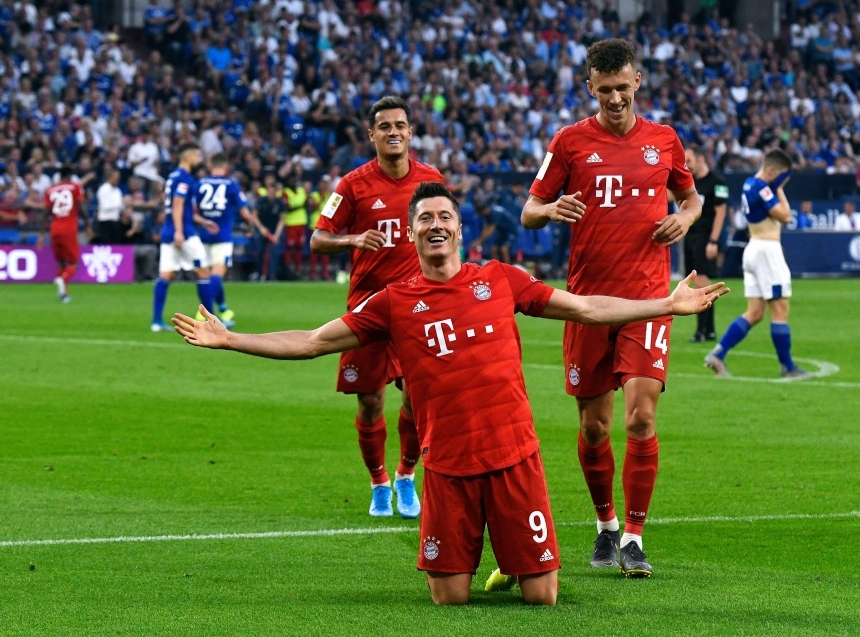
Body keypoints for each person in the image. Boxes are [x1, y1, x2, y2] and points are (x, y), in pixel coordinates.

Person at [172, 182, 728, 606]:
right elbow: (314, 341)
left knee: (543, 598)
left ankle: (516, 560)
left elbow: (586, 307)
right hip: (448, 467)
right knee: (451, 598)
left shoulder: (501, 279)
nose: (435, 224)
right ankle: (504, 553)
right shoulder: (392, 302)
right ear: (411, 232)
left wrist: (666, 305)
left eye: (444, 217)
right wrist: (230, 339)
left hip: (515, 458)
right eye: (424, 219)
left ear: (460, 230)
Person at [520, 39, 703, 578]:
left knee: (641, 417)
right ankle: (604, 525)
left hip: (648, 301)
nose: (616, 99)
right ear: (589, 88)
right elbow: (529, 210)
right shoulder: (570, 141)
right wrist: (552, 208)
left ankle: (634, 537)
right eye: (605, 91)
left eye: (623, 88)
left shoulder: (664, 141)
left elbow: (691, 198)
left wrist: (685, 219)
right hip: (585, 303)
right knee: (595, 428)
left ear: (638, 81)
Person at [309, 96, 443, 519]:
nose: (393, 132)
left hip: (416, 308)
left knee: (418, 401)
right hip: (367, 310)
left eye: (399, 125)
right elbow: (318, 238)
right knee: (369, 402)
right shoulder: (352, 184)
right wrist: (353, 239)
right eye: (384, 126)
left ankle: (406, 475)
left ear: (409, 131)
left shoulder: (430, 180)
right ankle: (379, 482)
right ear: (372, 135)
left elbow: (447, 229)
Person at [706, 149, 811, 378]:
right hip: (766, 251)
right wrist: (780, 190)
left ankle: (717, 355)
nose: (782, 181)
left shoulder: (749, 183)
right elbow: (785, 216)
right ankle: (788, 367)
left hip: (754, 248)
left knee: (754, 313)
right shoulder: (763, 188)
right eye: (781, 176)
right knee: (780, 309)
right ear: (771, 170)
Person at [151, 143, 219, 332]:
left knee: (166, 274)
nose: (200, 159)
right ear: (187, 156)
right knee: (204, 271)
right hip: (184, 232)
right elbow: (178, 205)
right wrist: (180, 231)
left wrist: (203, 221)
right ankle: (212, 321)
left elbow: (181, 208)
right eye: (197, 155)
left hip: (169, 231)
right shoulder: (184, 178)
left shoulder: (173, 177)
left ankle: (156, 321)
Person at [196, 153, 267, 326]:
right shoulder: (231, 184)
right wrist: (249, 228)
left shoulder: (199, 184)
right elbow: (245, 213)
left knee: (206, 276)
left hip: (202, 235)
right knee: (217, 275)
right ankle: (206, 312)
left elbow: (192, 210)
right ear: (225, 167)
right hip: (222, 236)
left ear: (210, 165)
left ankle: (222, 307)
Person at [684, 145, 729, 342]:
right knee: (697, 285)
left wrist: (713, 241)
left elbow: (721, 213)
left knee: (702, 284)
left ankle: (701, 330)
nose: (687, 165)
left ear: (701, 159)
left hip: (705, 237)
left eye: (689, 161)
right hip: (690, 237)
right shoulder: (689, 182)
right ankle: (709, 330)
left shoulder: (717, 182)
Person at [39, 166, 90, 303]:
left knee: (61, 262)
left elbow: (45, 214)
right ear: (70, 175)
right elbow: (82, 207)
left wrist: (42, 234)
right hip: (69, 228)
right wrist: (88, 224)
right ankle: (62, 280)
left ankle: (64, 295)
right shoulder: (75, 187)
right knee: (74, 263)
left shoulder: (49, 190)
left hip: (54, 228)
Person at [254, 180, 287, 281]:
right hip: (263, 230)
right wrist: (261, 228)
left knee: (275, 253)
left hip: (274, 230)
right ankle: (259, 275)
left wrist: (277, 235)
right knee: (260, 252)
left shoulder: (280, 203)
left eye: (273, 191)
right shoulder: (261, 201)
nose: (271, 193)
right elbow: (254, 216)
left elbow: (282, 220)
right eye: (270, 191)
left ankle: (272, 276)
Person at [283, 178, 309, 277]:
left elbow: (306, 204)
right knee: (289, 248)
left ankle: (297, 270)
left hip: (301, 222)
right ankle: (287, 271)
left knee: (299, 248)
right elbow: (287, 208)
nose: (293, 182)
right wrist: (300, 205)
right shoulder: (286, 192)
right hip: (291, 223)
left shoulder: (301, 191)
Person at [94, 169, 125, 244]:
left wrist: (125, 203)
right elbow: (105, 206)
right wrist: (120, 203)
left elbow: (121, 207)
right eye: (115, 176)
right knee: (107, 245)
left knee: (116, 245)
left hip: (116, 221)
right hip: (106, 222)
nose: (117, 179)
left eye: (118, 177)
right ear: (109, 177)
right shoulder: (103, 190)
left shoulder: (118, 191)